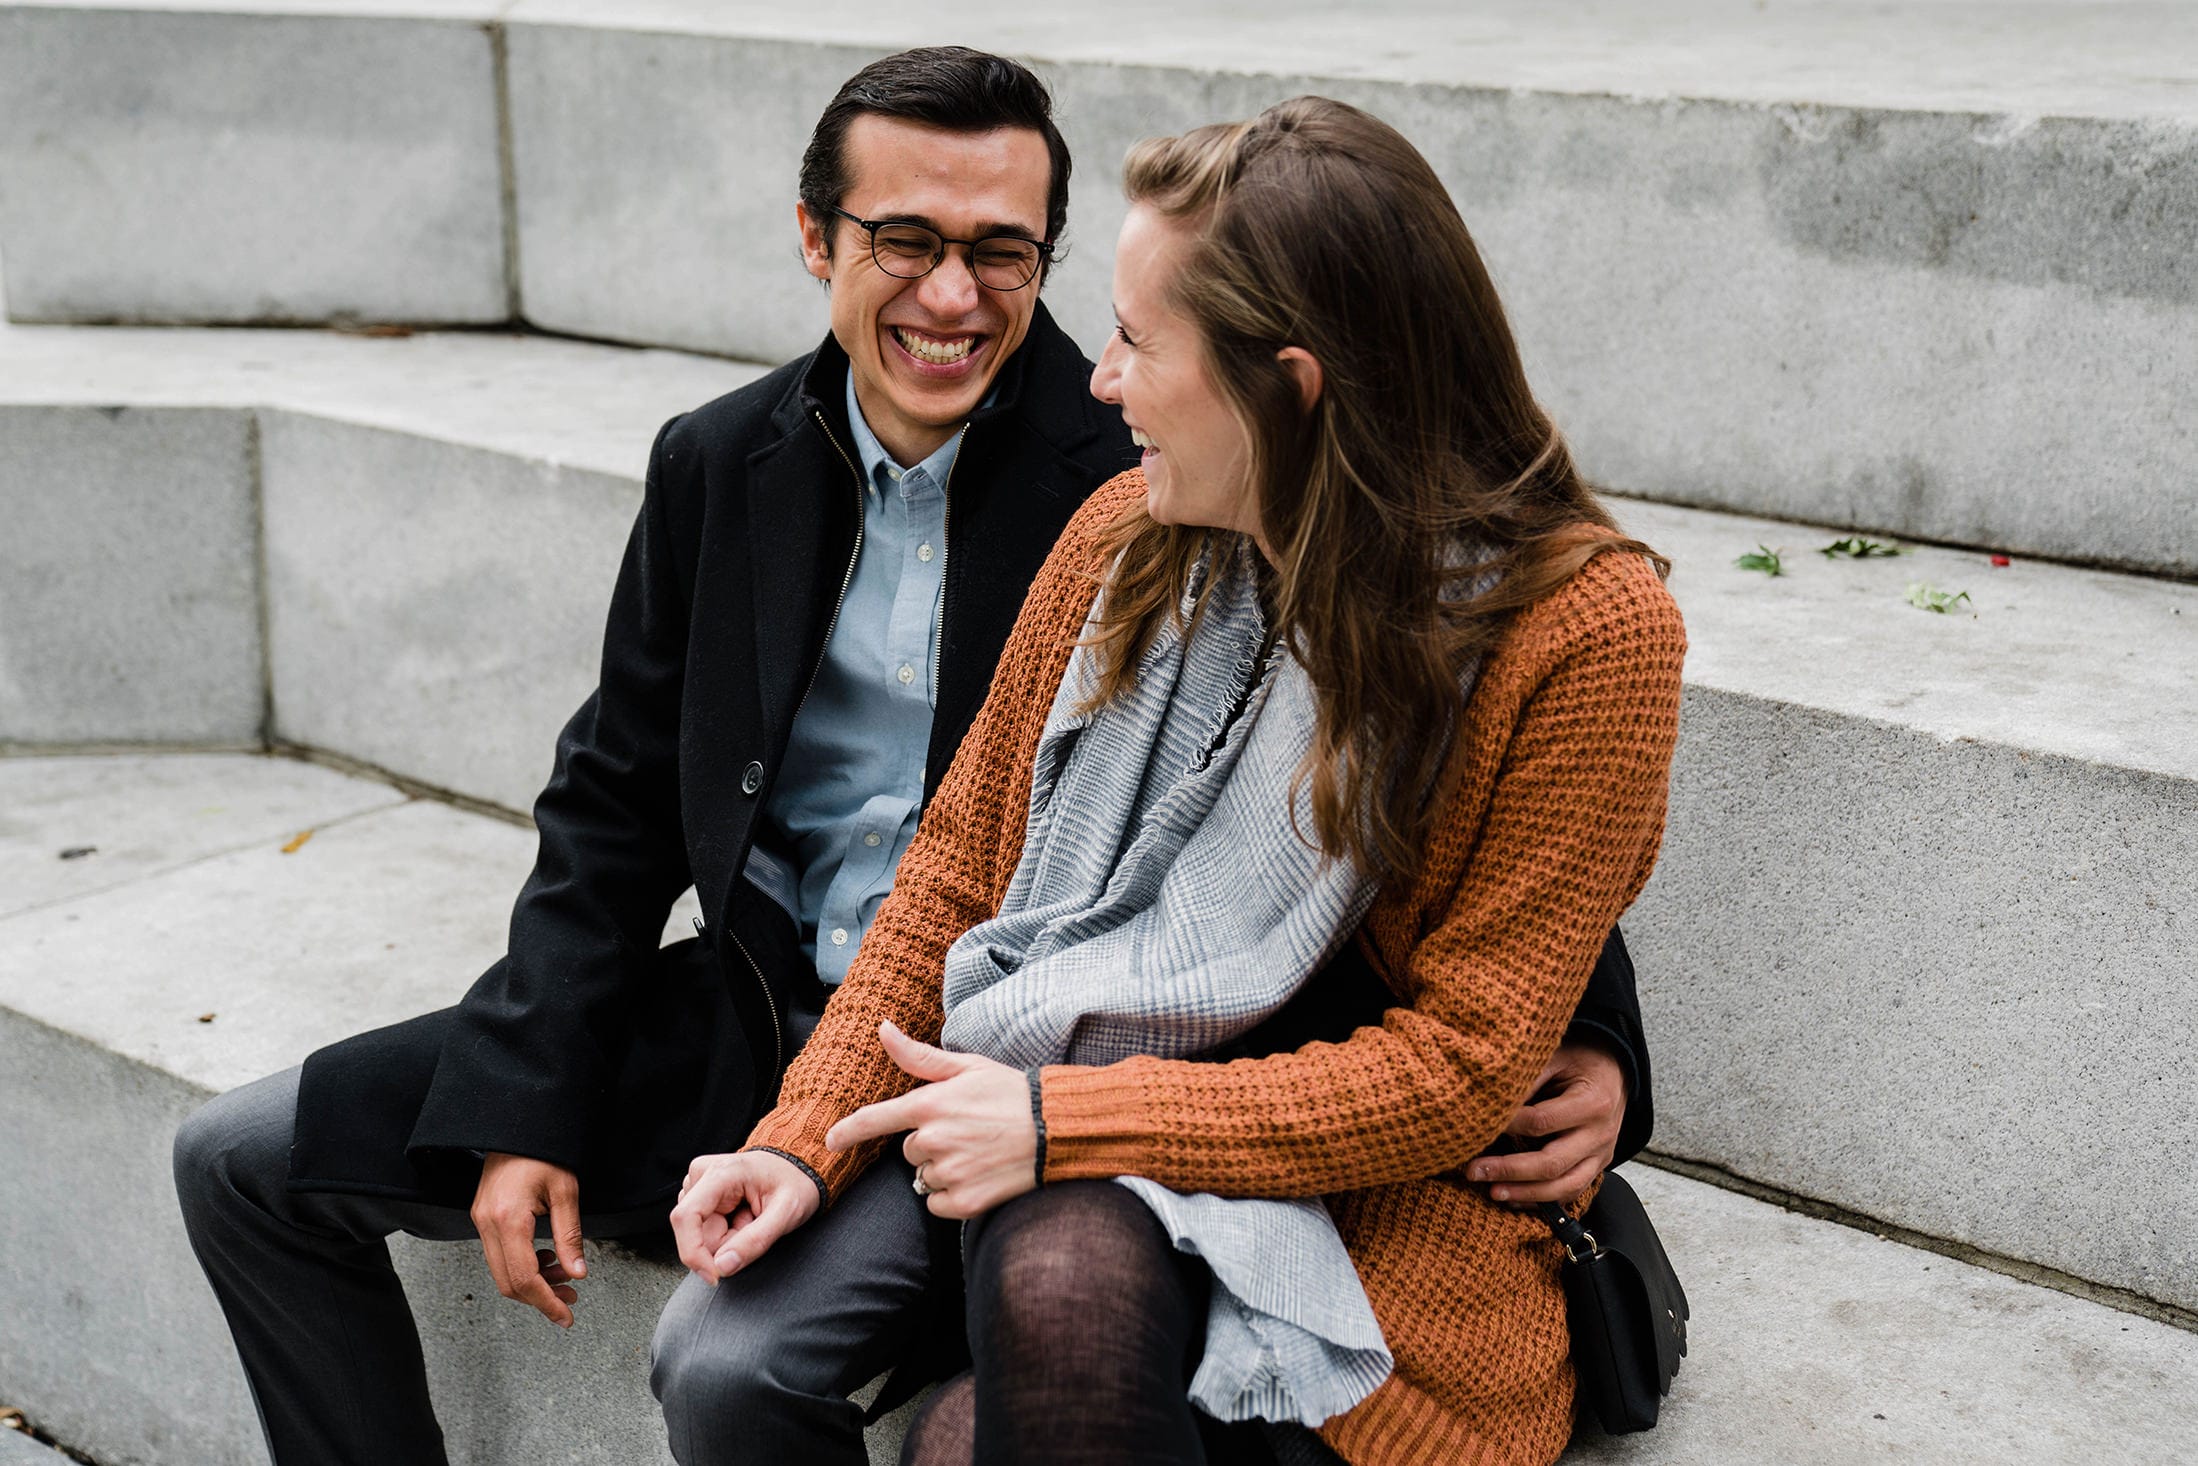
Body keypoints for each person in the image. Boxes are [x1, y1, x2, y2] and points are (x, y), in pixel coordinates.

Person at [171, 52, 1650, 1466]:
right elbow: (620, 805)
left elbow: (1468, 868)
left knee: (849, 1374)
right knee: (240, 1157)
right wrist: (556, 1102)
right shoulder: (745, 463)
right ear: (814, 239)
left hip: (1104, 1063)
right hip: (798, 1026)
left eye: (1007, 253)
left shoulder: (1155, 496)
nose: (960, 297)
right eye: (904, 239)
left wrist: (1599, 1048)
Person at [671, 96, 1687, 1466]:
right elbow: (963, 870)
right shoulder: (1123, 536)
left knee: (985, 1416)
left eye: (1140, 343)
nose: (1098, 380)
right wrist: (799, 1136)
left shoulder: (1582, 634)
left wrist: (1062, 1117)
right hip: (1039, 1057)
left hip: (1349, 1184)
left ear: (1290, 383)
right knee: (720, 1358)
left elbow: (1458, 1068)